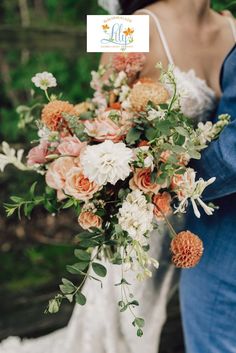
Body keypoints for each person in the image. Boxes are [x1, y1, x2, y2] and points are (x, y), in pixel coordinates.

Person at [1, 1, 235, 352]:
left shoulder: (231, 24)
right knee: (122, 321)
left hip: (198, 218)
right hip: (136, 221)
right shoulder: (125, 25)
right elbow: (96, 121)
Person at [180, 44, 236, 353]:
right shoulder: (128, 25)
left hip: (207, 221)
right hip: (142, 217)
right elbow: (101, 91)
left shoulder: (227, 22)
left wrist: (166, 179)